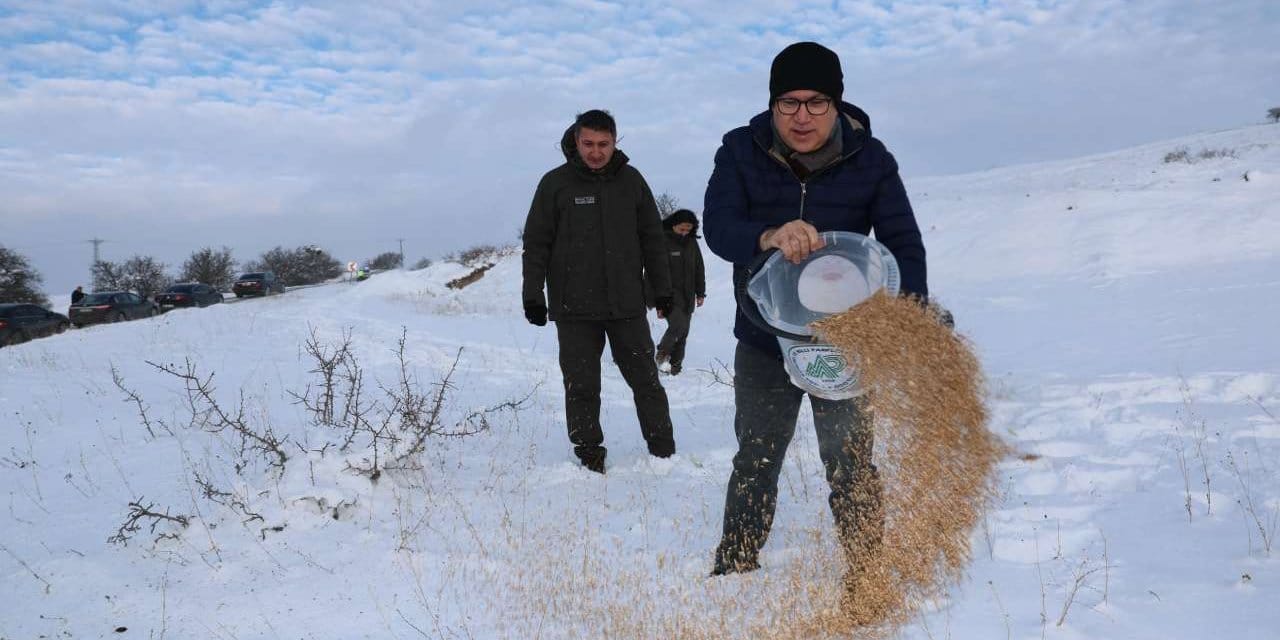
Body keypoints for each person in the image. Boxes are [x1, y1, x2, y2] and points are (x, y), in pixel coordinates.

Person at [702, 42, 929, 576]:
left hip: (846, 338)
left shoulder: (870, 159)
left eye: (816, 102)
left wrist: (913, 315)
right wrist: (767, 234)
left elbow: (903, 241)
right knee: (756, 454)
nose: (801, 116)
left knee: (850, 461)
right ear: (772, 103)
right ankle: (735, 565)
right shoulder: (740, 149)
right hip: (764, 333)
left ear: (837, 103)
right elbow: (718, 226)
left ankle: (869, 568)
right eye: (788, 102)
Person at [522, 109, 677, 474]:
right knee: (581, 386)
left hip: (626, 305)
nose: (595, 152)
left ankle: (664, 452)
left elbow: (653, 240)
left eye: (603, 144)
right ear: (576, 141)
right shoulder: (555, 184)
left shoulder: (632, 181)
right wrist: (533, 294)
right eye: (588, 143)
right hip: (573, 308)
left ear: (615, 142)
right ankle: (589, 454)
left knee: (646, 381)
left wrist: (663, 290)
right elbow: (536, 243)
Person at [651, 209, 706, 376]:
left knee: (684, 332)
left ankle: (675, 367)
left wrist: (700, 292)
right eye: (681, 229)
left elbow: (699, 268)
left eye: (688, 230)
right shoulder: (662, 241)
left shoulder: (691, 243)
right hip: (668, 295)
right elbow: (656, 272)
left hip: (688, 295)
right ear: (673, 225)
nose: (684, 233)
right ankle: (662, 355)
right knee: (678, 326)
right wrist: (659, 300)